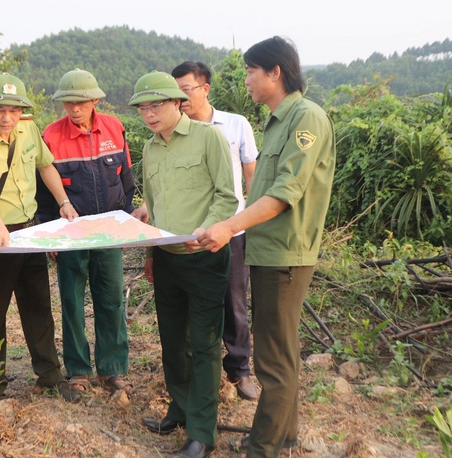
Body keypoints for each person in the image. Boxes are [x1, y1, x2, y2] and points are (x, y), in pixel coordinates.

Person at [189, 37, 336, 457]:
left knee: (273, 357)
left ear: (276, 72)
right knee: (280, 350)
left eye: (252, 71)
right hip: (269, 249)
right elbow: (259, 191)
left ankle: (264, 447)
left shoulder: (305, 118)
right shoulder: (277, 120)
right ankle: (281, 436)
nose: (247, 80)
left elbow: (283, 193)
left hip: (285, 252)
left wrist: (229, 227)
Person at [130, 71, 239, 458]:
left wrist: (207, 228)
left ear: (178, 102)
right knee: (173, 341)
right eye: (143, 107)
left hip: (205, 257)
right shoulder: (149, 149)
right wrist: (149, 254)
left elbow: (228, 198)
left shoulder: (209, 138)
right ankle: (179, 408)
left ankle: (202, 434)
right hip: (166, 257)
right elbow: (154, 207)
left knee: (206, 345)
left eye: (156, 105)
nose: (149, 114)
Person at [0, 73, 81, 405]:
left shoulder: (27, 129)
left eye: (13, 110)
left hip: (29, 232)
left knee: (38, 305)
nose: (6, 117)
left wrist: (63, 202)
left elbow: (46, 166)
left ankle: (50, 376)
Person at [36, 69, 135, 393]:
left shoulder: (114, 129)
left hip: (109, 231)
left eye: (80, 102)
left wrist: (125, 224)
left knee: (111, 301)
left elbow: (126, 181)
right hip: (70, 234)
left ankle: (112, 368)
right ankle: (78, 369)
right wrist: (49, 232)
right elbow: (43, 192)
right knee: (72, 301)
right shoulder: (51, 136)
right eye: (68, 103)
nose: (74, 109)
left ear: (94, 100)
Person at [171, 61, 259, 401]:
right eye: (174, 92)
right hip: (189, 236)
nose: (180, 99)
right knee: (194, 303)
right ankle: (196, 369)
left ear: (205, 89)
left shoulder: (235, 125)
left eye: (186, 90)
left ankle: (239, 369)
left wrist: (250, 220)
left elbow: (252, 177)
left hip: (231, 232)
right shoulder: (173, 131)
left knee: (234, 302)